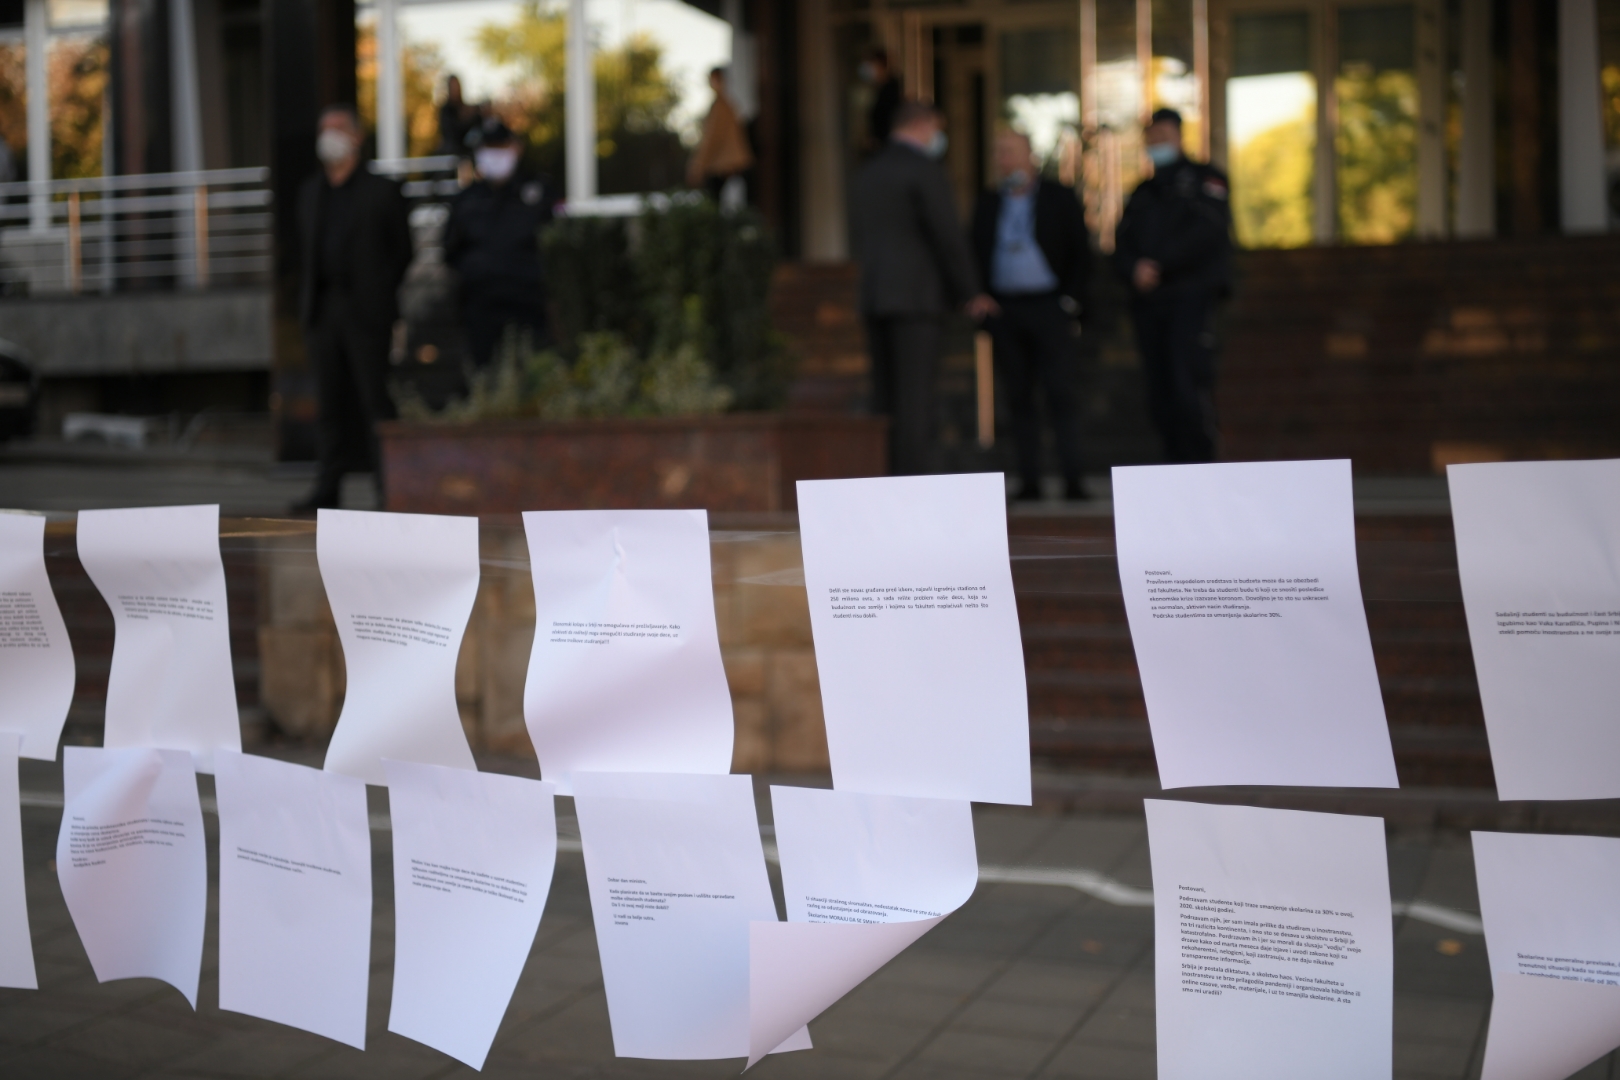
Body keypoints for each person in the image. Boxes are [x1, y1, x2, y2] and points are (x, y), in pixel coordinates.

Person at [850, 99, 994, 475]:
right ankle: (912, 486)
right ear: (924, 125)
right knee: (916, 400)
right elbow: (947, 234)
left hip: (876, 296)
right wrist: (971, 290)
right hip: (917, 298)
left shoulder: (869, 171)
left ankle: (885, 478)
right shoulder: (924, 169)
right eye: (937, 128)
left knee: (886, 398)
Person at [293, 105, 413, 512]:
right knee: (328, 406)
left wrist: (380, 293)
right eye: (323, 128)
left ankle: (388, 490)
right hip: (323, 312)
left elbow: (402, 251)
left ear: (357, 137)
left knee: (374, 403)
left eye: (338, 128)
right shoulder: (311, 193)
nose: (328, 135)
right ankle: (328, 490)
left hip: (366, 313)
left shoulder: (382, 192)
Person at [971, 129, 1093, 501]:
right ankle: (1029, 481)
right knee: (1018, 398)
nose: (1004, 159)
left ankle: (1073, 479)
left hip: (1049, 307)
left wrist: (1069, 301)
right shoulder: (989, 201)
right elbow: (973, 250)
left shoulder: (1058, 197)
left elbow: (1081, 254)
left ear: (1030, 156)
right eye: (998, 153)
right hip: (1006, 310)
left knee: (1060, 393)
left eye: (1010, 151)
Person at [1112, 107, 1232, 464]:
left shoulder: (1206, 180)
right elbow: (1122, 243)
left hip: (1191, 298)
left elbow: (1208, 233)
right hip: (1150, 304)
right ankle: (1172, 466)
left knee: (1188, 383)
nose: (1157, 143)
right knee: (1159, 390)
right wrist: (1134, 268)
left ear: (1179, 136)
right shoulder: (1143, 192)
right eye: (1151, 137)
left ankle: (1201, 464)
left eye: (1163, 135)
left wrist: (1160, 264)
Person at [443, 117, 553, 368]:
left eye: (500, 148)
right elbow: (451, 250)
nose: (494, 156)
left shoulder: (537, 192)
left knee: (533, 368)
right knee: (483, 370)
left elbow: (553, 241)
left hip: (527, 300)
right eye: (487, 149)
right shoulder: (466, 199)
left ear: (515, 148)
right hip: (480, 302)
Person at [686, 67, 754, 208]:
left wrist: (697, 167)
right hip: (728, 163)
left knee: (714, 203)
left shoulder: (722, 107)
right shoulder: (724, 105)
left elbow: (712, 139)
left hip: (728, 164)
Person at [860, 47, 903, 151]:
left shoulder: (892, 89)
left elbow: (888, 117)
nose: (869, 70)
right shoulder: (879, 89)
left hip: (889, 145)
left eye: (871, 65)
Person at [437, 75, 477, 156]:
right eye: (453, 86)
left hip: (466, 152)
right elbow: (449, 132)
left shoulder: (466, 109)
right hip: (451, 153)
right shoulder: (446, 110)